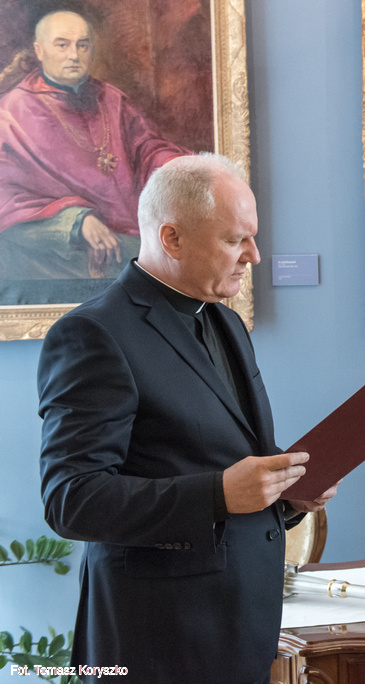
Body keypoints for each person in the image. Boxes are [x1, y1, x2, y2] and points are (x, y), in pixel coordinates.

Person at [38, 153, 337, 684]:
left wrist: (287, 494)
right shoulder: (93, 334)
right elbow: (71, 499)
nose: (254, 256)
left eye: (253, 238)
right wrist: (217, 494)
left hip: (241, 630)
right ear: (172, 238)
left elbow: (225, 457)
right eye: (235, 240)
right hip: (156, 641)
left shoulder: (225, 320)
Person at [0, 9, 189, 280]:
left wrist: (176, 165)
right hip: (62, 249)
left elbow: (146, 148)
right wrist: (74, 220)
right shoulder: (12, 113)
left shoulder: (111, 98)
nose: (74, 55)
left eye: (83, 45)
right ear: (39, 51)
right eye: (62, 45)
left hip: (131, 231)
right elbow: (5, 197)